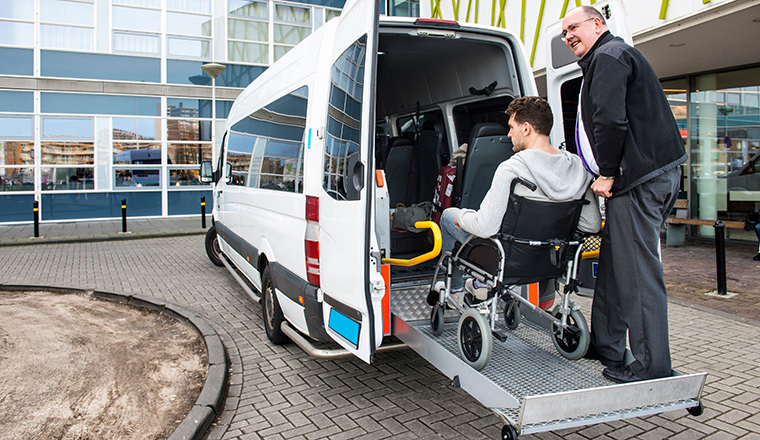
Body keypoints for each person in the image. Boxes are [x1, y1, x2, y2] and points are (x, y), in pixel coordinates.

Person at [562, 6, 687, 383]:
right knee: (617, 267)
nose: (568, 35)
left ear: (597, 23)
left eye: (574, 27)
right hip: (648, 177)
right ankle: (607, 343)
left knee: (637, 275)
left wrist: (608, 172)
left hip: (636, 181)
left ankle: (651, 366)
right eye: (563, 31)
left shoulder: (610, 57)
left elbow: (610, 118)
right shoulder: (607, 56)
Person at [439, 96, 601, 304]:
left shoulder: (512, 169)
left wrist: (462, 218)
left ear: (526, 129)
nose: (509, 134)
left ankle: (453, 289)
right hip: (553, 260)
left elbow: (486, 226)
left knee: (448, 216)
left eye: (511, 127)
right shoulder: (578, 168)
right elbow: (592, 224)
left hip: (510, 260)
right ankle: (478, 284)